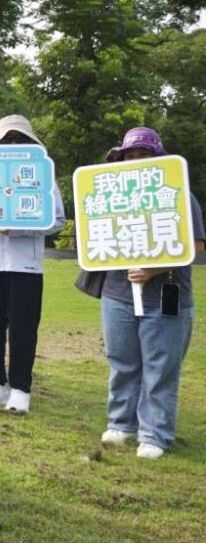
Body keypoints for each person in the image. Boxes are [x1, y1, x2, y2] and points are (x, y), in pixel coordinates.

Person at [95, 127, 203, 459]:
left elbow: (196, 244)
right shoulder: (109, 194)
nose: (137, 162)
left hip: (166, 296)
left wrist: (154, 270)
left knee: (160, 367)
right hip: (118, 292)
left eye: (144, 156)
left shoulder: (180, 193)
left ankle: (155, 434)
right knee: (122, 361)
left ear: (159, 160)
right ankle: (121, 424)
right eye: (131, 156)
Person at [0, 115, 67, 415]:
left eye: (19, 139)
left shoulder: (44, 177)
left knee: (23, 328)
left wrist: (19, 228)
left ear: (30, 144)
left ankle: (20, 388)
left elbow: (57, 220)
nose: (13, 144)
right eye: (7, 139)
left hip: (26, 266)